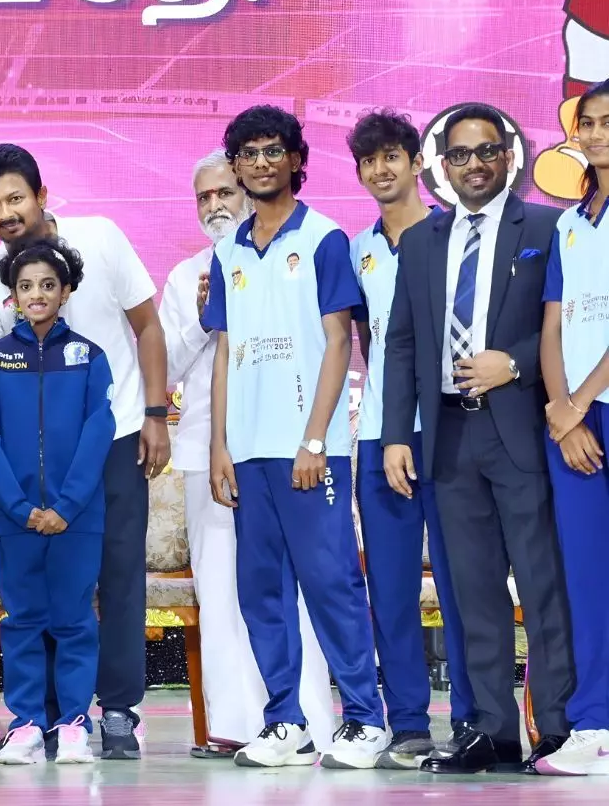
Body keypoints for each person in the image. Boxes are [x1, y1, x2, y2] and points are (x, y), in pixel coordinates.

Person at [0, 142, 168, 759]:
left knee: (118, 575)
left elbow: (148, 326)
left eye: (15, 198)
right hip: (34, 465)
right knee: (40, 588)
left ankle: (117, 708)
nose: (6, 214)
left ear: (41, 195)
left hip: (115, 439)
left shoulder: (101, 238)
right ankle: (43, 716)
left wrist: (154, 414)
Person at [382, 103, 573, 774]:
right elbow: (401, 343)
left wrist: (514, 363)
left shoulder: (546, 228)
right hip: (447, 435)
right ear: (442, 166)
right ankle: (491, 731)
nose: (474, 164)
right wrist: (395, 434)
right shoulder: (420, 242)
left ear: (509, 157)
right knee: (473, 592)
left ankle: (557, 729)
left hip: (520, 429)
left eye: (486, 151)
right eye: (460, 154)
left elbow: (567, 325)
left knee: (543, 586)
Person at [202, 105, 388, 769]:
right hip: (248, 452)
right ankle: (286, 722)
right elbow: (226, 351)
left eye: (272, 151)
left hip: (311, 449)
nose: (260, 163)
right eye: (248, 153)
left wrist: (315, 440)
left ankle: (365, 719)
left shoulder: (324, 239)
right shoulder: (227, 250)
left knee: (331, 584)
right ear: (235, 166)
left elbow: (339, 342)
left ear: (296, 160)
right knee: (262, 593)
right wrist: (220, 445)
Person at [161, 150, 336, 757]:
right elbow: (167, 369)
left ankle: (309, 720)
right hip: (205, 452)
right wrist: (203, 318)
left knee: (292, 590)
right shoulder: (186, 276)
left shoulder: (294, 252)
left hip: (283, 447)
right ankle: (235, 724)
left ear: (247, 190)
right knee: (221, 591)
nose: (215, 205)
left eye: (224, 193)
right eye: (203, 197)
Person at [345, 109, 475, 768]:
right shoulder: (357, 248)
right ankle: (408, 723)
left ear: (417, 162)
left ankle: (475, 716)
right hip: (379, 438)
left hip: (450, 433)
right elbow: (370, 340)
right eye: (368, 161)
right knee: (391, 590)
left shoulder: (455, 234)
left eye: (391, 156)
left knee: (462, 584)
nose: (381, 170)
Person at [0, 237, 114, 766]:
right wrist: (17, 506)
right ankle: (27, 723)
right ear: (12, 295)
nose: (37, 294)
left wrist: (67, 506)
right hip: (18, 519)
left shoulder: (89, 357)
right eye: (26, 286)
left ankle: (73, 722)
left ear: (66, 291)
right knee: (24, 620)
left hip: (77, 519)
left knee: (75, 619)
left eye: (48, 285)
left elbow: (99, 429)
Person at [536, 80, 609, 777]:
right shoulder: (568, 223)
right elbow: (552, 323)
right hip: (575, 424)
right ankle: (595, 723)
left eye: (608, 121)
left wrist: (579, 401)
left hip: (592, 407)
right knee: (586, 576)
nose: (597, 132)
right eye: (588, 122)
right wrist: (562, 411)